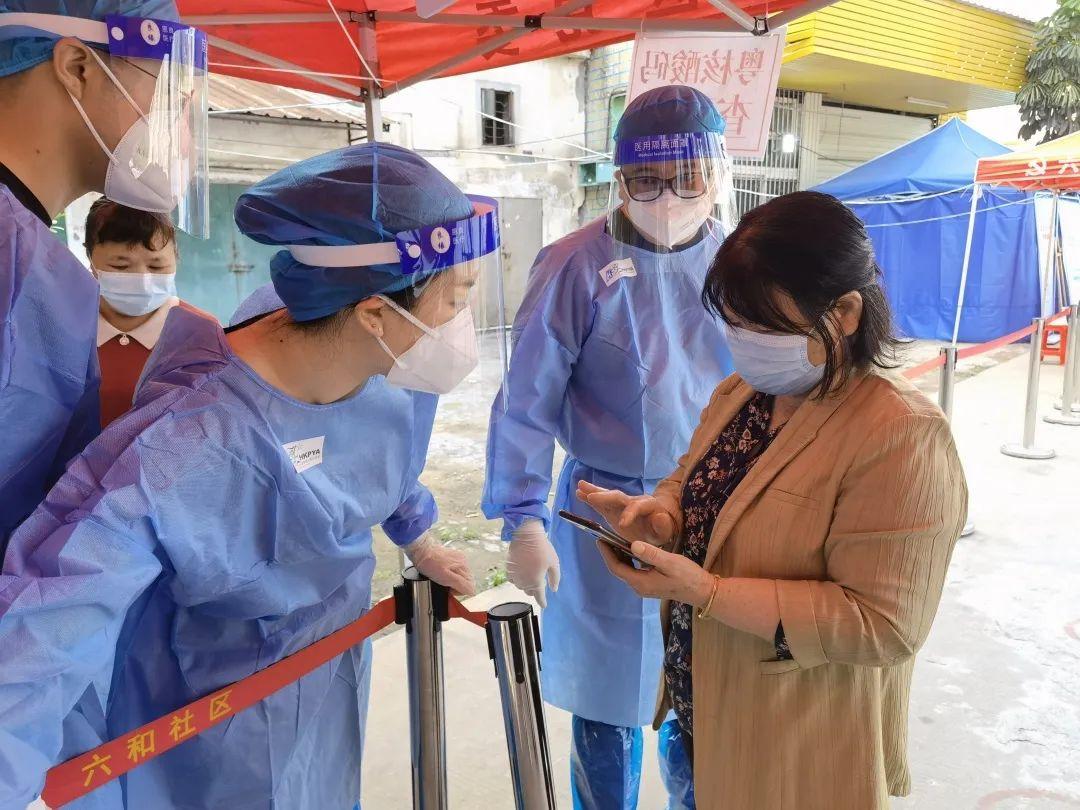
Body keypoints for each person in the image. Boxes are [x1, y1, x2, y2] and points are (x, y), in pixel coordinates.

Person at [0, 142, 491, 809]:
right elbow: (57, 607)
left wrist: (420, 538)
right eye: (455, 300)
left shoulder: (379, 358)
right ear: (375, 313)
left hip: (328, 665)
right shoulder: (187, 445)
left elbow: (380, 459)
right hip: (211, 702)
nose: (460, 327)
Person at [583, 191, 968, 809]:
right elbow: (693, 479)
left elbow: (885, 625)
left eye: (767, 327)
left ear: (845, 312)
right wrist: (661, 516)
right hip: (702, 707)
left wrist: (707, 592)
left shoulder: (900, 436)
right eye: (736, 324)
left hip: (795, 736)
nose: (747, 343)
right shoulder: (743, 393)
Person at [482, 84, 735, 809]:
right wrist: (524, 518)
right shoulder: (572, 266)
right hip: (603, 509)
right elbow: (527, 401)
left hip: (711, 506)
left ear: (716, 174)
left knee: (703, 695)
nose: (667, 197)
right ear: (619, 177)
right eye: (646, 179)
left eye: (686, 178)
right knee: (609, 698)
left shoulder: (736, 262)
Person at [0, 1, 208, 549]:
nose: (177, 126)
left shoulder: (37, 265)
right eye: (167, 95)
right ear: (78, 67)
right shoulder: (14, 261)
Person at [85, 198, 188, 427]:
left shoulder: (201, 333)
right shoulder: (63, 329)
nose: (143, 280)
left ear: (176, 257)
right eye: (120, 266)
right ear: (91, 259)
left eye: (156, 266)